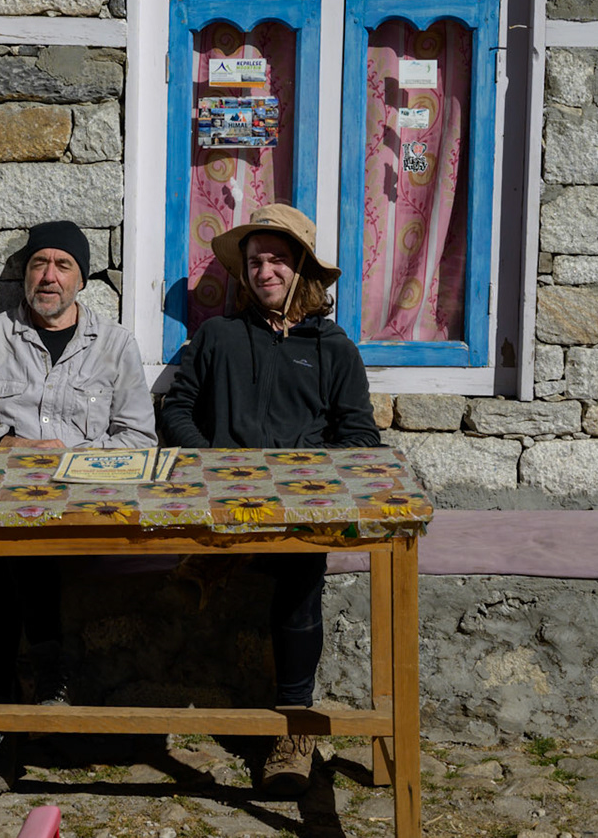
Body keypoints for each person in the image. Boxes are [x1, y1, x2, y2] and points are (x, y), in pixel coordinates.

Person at [159, 203, 378, 798]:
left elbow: (360, 437)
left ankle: (294, 728)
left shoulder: (332, 348)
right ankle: (217, 558)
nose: (265, 271)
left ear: (301, 267)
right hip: (223, 495)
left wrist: (308, 478)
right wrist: (210, 460)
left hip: (299, 508)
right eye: (256, 261)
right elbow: (178, 408)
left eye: (277, 259)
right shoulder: (218, 337)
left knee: (301, 572)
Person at [0, 219, 155, 795]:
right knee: (2, 545)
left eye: (63, 265)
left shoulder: (114, 344)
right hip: (6, 503)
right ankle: (32, 688)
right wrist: (7, 443)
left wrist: (71, 455)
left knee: (9, 550)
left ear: (81, 279)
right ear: (25, 275)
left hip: (86, 507)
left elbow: (139, 440)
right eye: (39, 264)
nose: (49, 276)